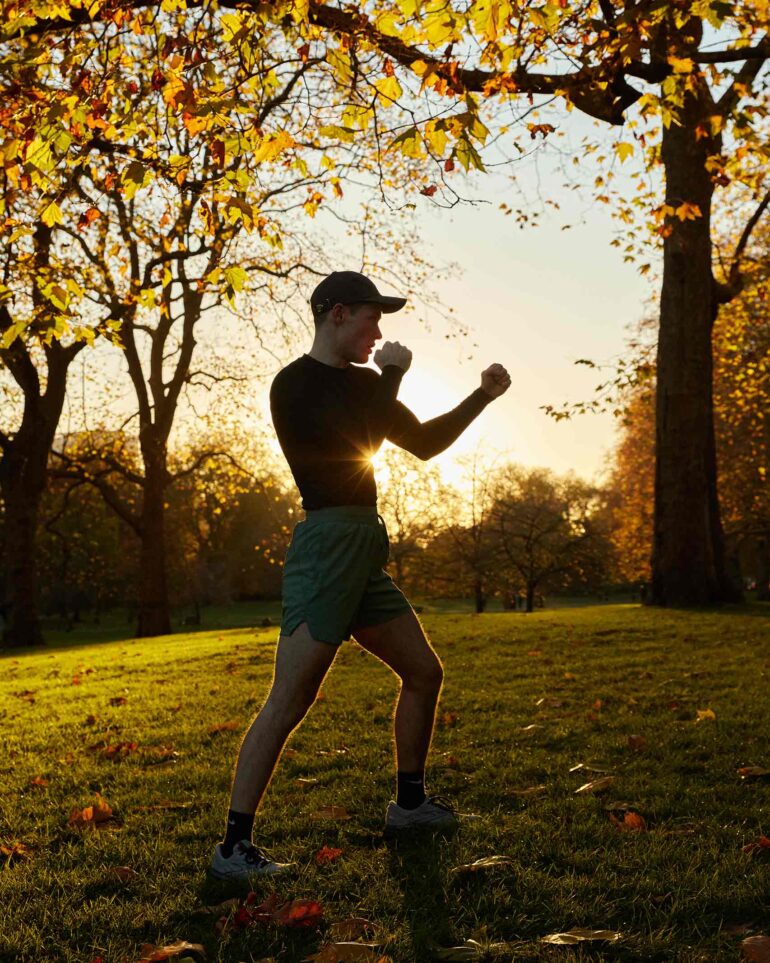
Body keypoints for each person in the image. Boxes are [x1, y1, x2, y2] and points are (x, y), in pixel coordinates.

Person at [209, 270, 511, 880]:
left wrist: (481, 397)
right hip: (326, 550)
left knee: (423, 672)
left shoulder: (367, 385)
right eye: (372, 318)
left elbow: (422, 443)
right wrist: (392, 375)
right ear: (338, 313)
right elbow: (362, 437)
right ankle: (233, 849)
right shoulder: (295, 384)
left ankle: (409, 806)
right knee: (290, 700)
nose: (378, 333)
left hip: (362, 548)